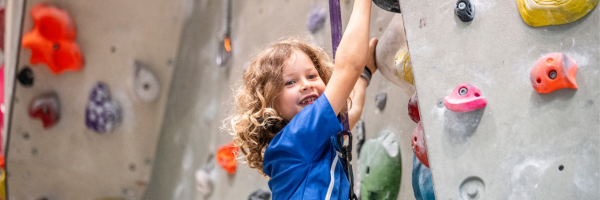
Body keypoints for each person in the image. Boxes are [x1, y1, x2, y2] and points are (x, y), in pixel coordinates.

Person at [227, 0, 377, 199]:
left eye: (312, 76)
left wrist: (364, 74)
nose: (306, 85)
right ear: (270, 105)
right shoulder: (295, 138)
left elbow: (352, 112)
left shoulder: (312, 137)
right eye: (290, 82)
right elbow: (348, 67)